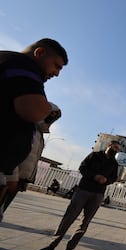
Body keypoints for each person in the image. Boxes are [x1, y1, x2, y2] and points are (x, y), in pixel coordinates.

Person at [0, 38, 68, 203]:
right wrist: (47, 107)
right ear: (40, 53)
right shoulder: (23, 65)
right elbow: (34, 111)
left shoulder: (9, 62)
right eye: (56, 66)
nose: (57, 73)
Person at [36, 140, 121, 250]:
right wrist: (94, 176)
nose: (116, 150)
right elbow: (82, 167)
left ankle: (69, 249)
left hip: (98, 194)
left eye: (118, 149)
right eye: (115, 147)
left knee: (84, 223)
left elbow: (113, 178)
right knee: (68, 218)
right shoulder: (94, 155)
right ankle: (52, 245)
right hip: (83, 190)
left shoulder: (114, 163)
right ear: (109, 146)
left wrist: (106, 180)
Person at [0, 102, 61, 220]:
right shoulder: (23, 125)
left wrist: (26, 179)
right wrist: (13, 174)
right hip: (8, 176)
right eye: (50, 115)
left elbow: (32, 159)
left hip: (18, 179)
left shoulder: (39, 133)